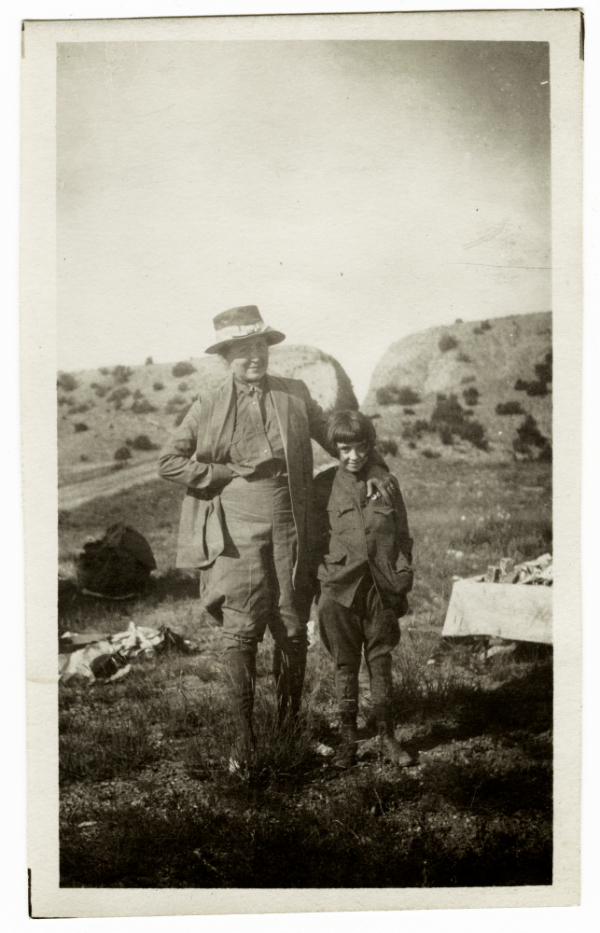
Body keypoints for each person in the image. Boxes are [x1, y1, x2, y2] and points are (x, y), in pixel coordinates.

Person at [158, 305, 397, 769]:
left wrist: (374, 466)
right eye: (244, 350)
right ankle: (244, 743)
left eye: (260, 347)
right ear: (226, 355)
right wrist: (218, 473)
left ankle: (290, 733)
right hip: (234, 527)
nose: (254, 357)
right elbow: (170, 460)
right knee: (241, 631)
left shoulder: (294, 394)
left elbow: (335, 434)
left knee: (291, 627)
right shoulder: (208, 403)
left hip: (292, 521)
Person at [313, 409, 414, 770]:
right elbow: (312, 540)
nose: (353, 456)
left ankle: (387, 737)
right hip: (339, 590)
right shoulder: (323, 485)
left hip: (381, 590)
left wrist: (403, 573)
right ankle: (348, 741)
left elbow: (402, 534)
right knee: (345, 665)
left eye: (360, 448)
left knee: (381, 663)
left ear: (370, 447)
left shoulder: (387, 482)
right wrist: (321, 583)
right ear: (335, 449)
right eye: (344, 449)